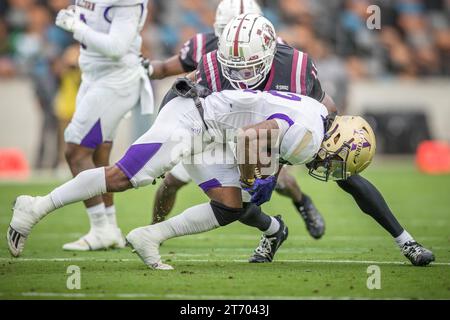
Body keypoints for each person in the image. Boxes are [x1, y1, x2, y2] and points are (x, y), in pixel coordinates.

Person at [7, 86, 375, 271]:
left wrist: (250, 182)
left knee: (234, 204)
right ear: (339, 142)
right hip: (191, 122)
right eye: (340, 161)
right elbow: (250, 137)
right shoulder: (308, 139)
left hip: (213, 133)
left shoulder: (319, 116)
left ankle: (149, 236)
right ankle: (34, 207)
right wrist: (250, 176)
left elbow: (316, 107)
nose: (332, 168)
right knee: (122, 177)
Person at [177, 13, 434, 266]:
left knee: (346, 176)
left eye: (250, 64)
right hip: (245, 135)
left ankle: (406, 241)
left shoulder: (293, 66)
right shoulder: (216, 62)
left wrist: (324, 133)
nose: (243, 70)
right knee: (240, 200)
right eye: (237, 63)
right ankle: (273, 231)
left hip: (288, 131)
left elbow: (325, 105)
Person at [145, 0, 325, 240]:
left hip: (254, 128)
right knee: (173, 181)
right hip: (213, 130)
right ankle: (154, 226)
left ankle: (302, 202)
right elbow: (167, 72)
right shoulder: (203, 46)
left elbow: (299, 102)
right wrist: (143, 68)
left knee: (275, 184)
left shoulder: (280, 53)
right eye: (227, 29)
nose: (236, 43)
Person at [54, 0, 154, 251]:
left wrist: (76, 26)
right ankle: (110, 229)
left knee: (75, 152)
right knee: (98, 153)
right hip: (94, 75)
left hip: (115, 79)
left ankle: (100, 229)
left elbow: (116, 47)